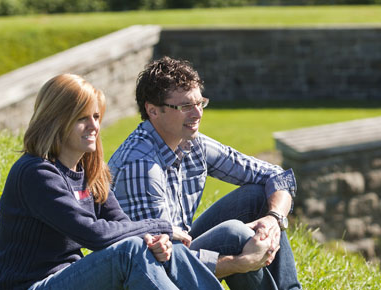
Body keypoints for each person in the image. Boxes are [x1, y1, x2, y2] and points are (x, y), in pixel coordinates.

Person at [0, 74, 222, 290]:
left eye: (96, 117)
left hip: (67, 278)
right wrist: (160, 227)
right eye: (82, 118)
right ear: (55, 120)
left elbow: (119, 222)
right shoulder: (36, 173)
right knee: (129, 253)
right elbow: (94, 234)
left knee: (167, 249)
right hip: (27, 285)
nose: (94, 126)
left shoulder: (89, 171)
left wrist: (152, 240)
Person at [108, 56, 302, 290]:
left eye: (200, 103)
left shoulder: (191, 143)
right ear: (153, 111)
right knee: (235, 235)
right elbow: (162, 261)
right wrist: (237, 263)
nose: (197, 114)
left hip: (181, 248)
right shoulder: (140, 165)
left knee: (259, 196)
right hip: (148, 274)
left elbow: (275, 176)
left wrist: (274, 219)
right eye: (185, 106)